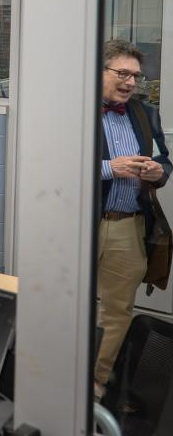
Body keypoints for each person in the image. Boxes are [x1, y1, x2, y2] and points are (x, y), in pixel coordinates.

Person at [93, 39, 171, 398]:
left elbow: (165, 163)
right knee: (63, 300)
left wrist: (158, 172)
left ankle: (94, 384)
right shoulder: (74, 111)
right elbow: (52, 163)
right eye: (122, 73)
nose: (130, 82)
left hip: (128, 226)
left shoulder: (144, 113)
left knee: (117, 311)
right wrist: (110, 167)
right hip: (80, 226)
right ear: (100, 70)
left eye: (135, 76)